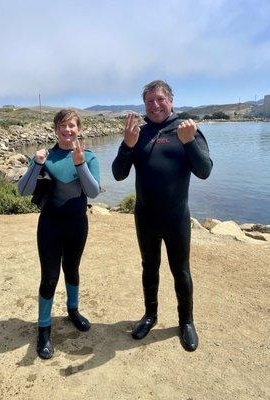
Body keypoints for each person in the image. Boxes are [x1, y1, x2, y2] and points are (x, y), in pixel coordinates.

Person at [112, 80, 213, 351]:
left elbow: (204, 171)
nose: (154, 105)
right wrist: (127, 145)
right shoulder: (138, 132)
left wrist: (189, 142)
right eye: (148, 101)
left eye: (159, 99)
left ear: (170, 100)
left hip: (176, 217)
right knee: (149, 267)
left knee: (180, 271)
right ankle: (150, 316)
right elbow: (118, 174)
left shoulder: (185, 129)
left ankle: (186, 322)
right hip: (145, 216)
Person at [18, 109, 100, 359]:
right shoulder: (46, 156)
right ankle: (44, 328)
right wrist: (37, 164)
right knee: (50, 277)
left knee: (72, 270)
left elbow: (94, 192)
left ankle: (72, 310)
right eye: (63, 126)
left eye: (72, 126)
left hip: (77, 225)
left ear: (79, 129)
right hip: (50, 226)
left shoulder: (88, 156)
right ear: (56, 130)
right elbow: (23, 190)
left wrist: (80, 164)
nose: (67, 130)